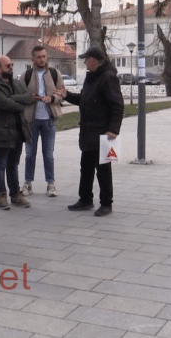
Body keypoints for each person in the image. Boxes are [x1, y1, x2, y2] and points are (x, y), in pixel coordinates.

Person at [54, 47, 123, 217]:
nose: (84, 62)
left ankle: (106, 203)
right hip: (88, 132)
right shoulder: (91, 78)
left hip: (102, 133)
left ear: (94, 60)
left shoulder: (108, 78)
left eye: (86, 59)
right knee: (85, 167)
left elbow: (117, 105)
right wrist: (66, 95)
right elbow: (84, 100)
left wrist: (113, 129)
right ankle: (85, 199)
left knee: (103, 170)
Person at [0, 54, 34, 209]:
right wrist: (18, 103)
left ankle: (15, 194)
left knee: (13, 164)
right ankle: (0, 196)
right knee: (0, 164)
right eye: (8, 66)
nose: (11, 67)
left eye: (11, 65)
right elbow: (5, 104)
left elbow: (29, 97)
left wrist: (14, 98)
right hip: (2, 131)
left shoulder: (16, 83)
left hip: (18, 130)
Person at [20, 45, 65, 198]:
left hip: (49, 120)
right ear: (32, 59)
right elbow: (19, 96)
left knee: (48, 154)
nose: (42, 59)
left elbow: (61, 94)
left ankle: (50, 183)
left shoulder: (54, 73)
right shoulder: (26, 75)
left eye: (44, 56)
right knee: (29, 154)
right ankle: (28, 183)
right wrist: (29, 98)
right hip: (31, 120)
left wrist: (52, 98)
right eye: (38, 57)